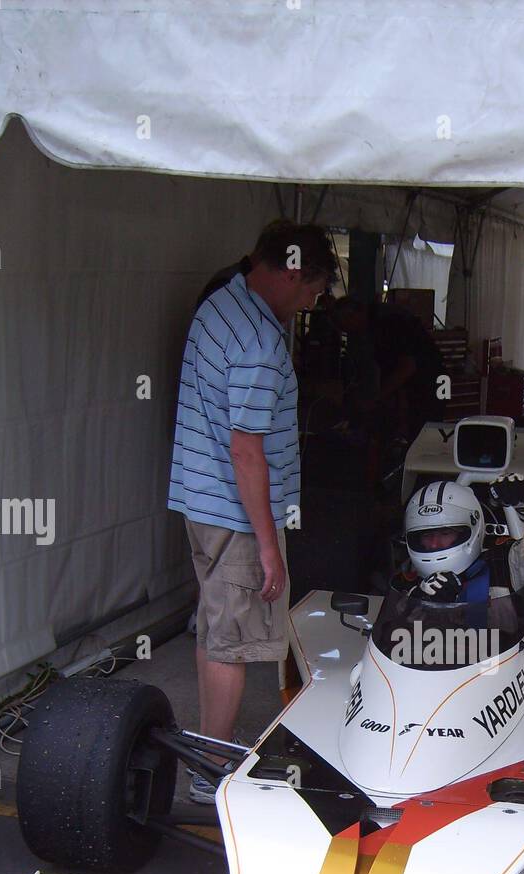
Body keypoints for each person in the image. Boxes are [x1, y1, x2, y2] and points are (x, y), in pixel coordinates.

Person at [168, 220, 338, 802]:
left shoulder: (220, 304)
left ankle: (204, 750)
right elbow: (247, 449)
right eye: (312, 291)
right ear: (292, 273)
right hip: (236, 517)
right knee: (234, 641)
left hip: (201, 501)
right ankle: (210, 769)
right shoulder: (262, 346)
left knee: (215, 630)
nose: (310, 304)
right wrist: (269, 545)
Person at [397, 474, 524, 605]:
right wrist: (420, 602)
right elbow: (391, 629)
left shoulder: (503, 564)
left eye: (445, 533)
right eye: (426, 535)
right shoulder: (407, 580)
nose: (434, 544)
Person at [327, 296, 444, 450]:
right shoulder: (377, 322)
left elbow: (407, 366)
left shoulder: (388, 322)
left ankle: (427, 467)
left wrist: (377, 398)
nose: (351, 332)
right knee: (418, 431)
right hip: (427, 380)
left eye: (347, 327)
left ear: (353, 315)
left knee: (430, 430)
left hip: (436, 381)